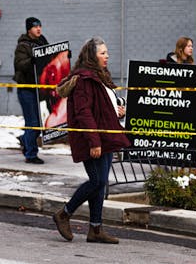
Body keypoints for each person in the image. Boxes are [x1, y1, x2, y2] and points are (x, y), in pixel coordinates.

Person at [52, 37, 130, 244]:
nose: (107, 56)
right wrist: (94, 141)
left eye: (107, 52)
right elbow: (84, 113)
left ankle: (95, 229)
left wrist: (117, 112)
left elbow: (102, 108)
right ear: (92, 55)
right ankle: (64, 214)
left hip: (105, 136)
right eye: (103, 53)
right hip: (92, 138)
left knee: (101, 184)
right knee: (97, 181)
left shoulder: (100, 77)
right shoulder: (84, 79)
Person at [13, 17, 48, 164]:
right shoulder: (23, 46)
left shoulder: (43, 43)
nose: (38, 29)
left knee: (41, 123)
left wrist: (64, 56)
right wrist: (31, 61)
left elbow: (51, 60)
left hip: (41, 89)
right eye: (35, 27)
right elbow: (19, 64)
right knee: (33, 122)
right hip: (27, 89)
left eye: (40, 26)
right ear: (29, 29)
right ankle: (31, 154)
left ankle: (25, 140)